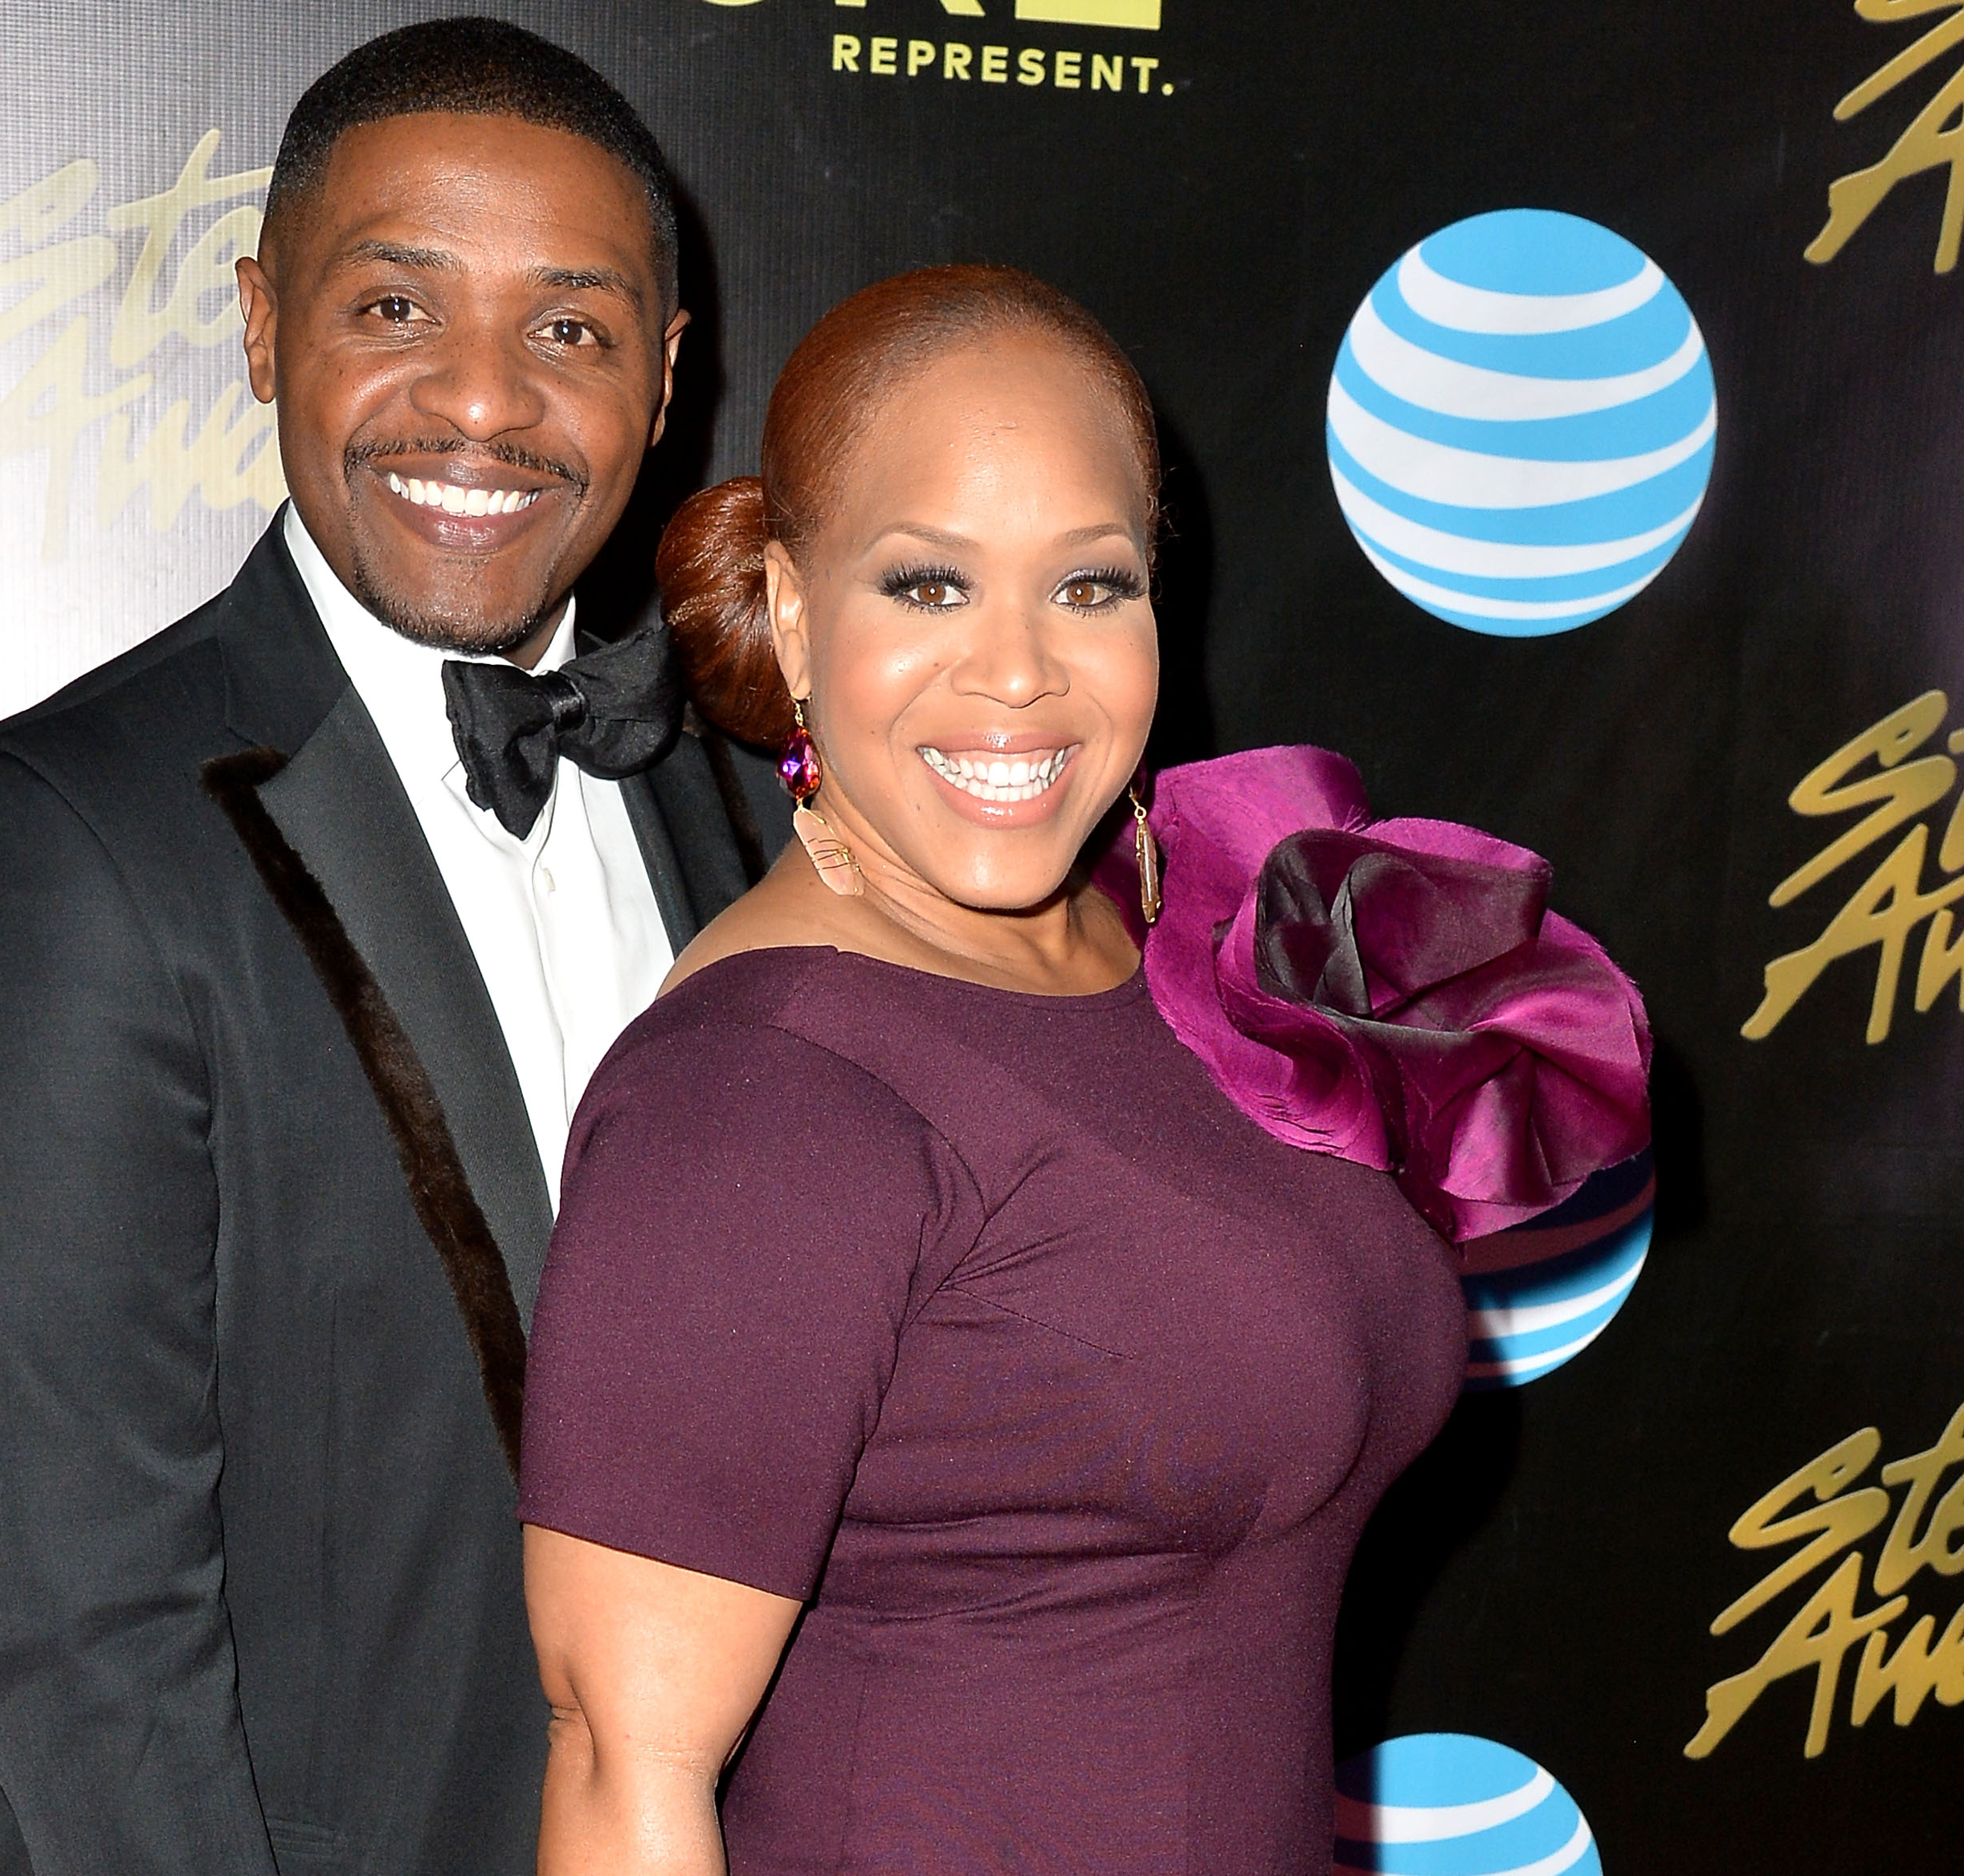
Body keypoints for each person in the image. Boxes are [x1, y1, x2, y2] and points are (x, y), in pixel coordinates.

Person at [517, 267, 1648, 1874]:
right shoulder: (761, 1096)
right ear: (791, 609)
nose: (1020, 671)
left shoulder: (1165, 939)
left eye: (1089, 585)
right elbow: (620, 1769)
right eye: (929, 585)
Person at [0, 20, 776, 1875]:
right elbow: (91, 1661)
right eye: (394, 308)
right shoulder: (53, 844)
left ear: (667, 378)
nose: (485, 403)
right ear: (265, 323)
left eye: (570, 329)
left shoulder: (743, 806)